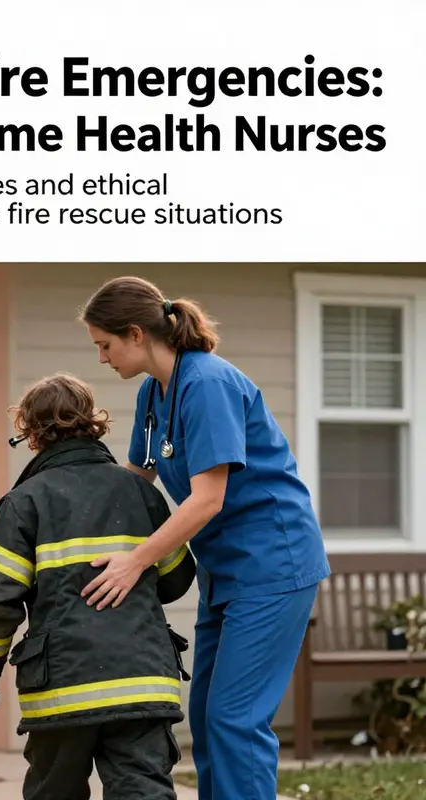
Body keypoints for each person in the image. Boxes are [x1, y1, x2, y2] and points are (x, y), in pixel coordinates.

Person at [78, 276, 331, 800]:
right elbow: (136, 480)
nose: (102, 358)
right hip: (225, 571)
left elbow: (207, 500)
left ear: (135, 334)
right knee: (208, 716)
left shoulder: (208, 384)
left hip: (272, 564)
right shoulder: (153, 392)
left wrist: (136, 561)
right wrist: (68, 503)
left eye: (105, 345)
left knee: (235, 719)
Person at [0, 373, 197, 800]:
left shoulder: (24, 502)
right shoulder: (140, 491)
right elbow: (176, 579)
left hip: (61, 692)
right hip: (142, 682)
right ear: (93, 422)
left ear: (31, 433)